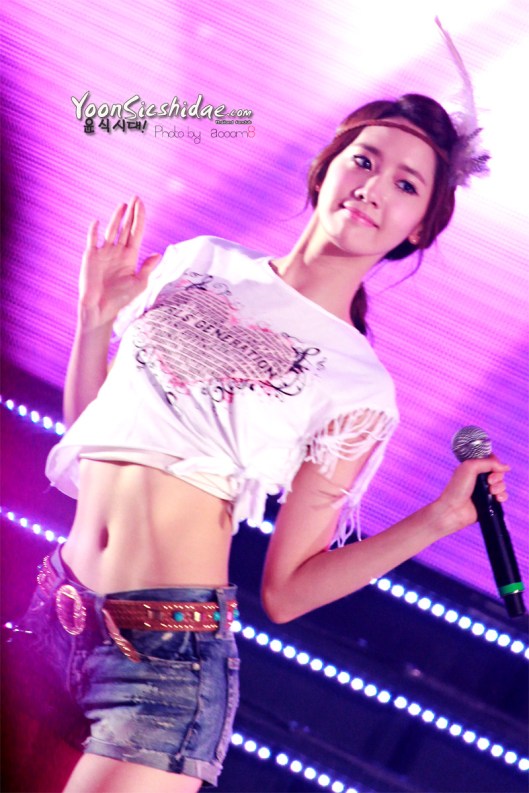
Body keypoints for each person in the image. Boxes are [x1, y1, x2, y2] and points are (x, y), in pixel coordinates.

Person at [10, 93, 509, 793]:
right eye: (364, 161)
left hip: (162, 668)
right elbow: (95, 438)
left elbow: (286, 590)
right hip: (50, 611)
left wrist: (437, 519)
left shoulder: (358, 385)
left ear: (420, 226)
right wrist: (94, 321)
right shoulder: (198, 260)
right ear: (326, 168)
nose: (372, 187)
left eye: (405, 184)